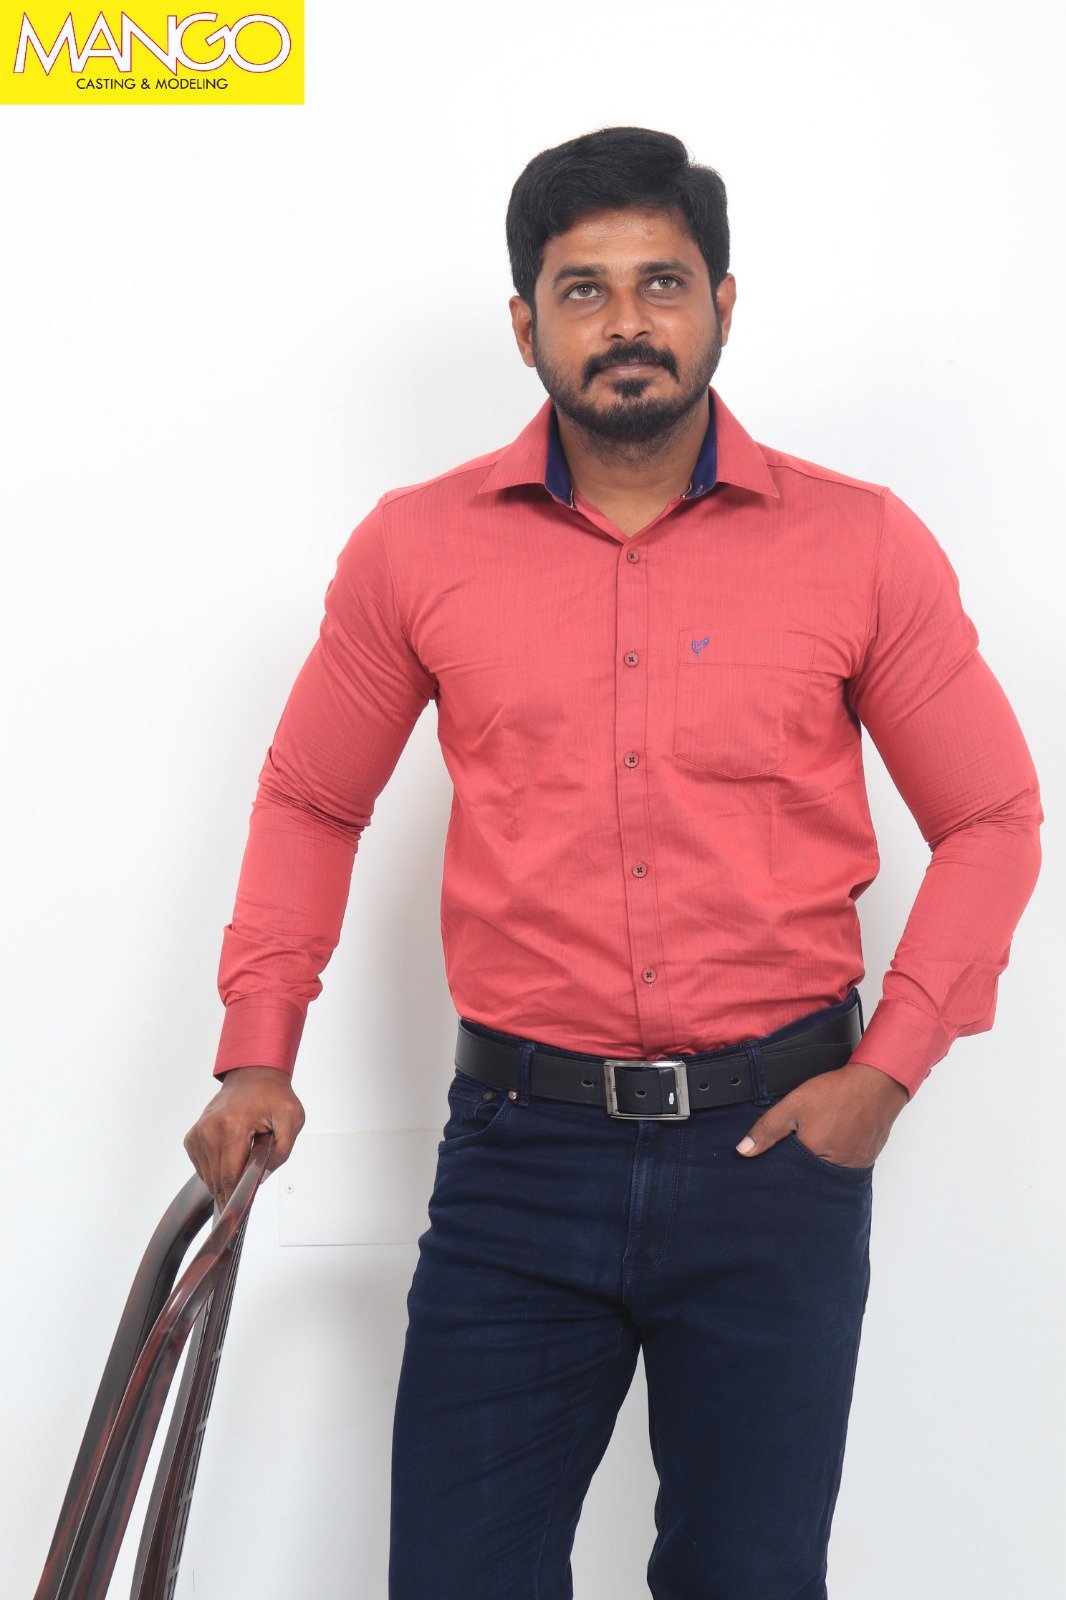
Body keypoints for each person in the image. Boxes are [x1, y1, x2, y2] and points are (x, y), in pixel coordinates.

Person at [184, 126, 1043, 1598]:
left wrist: (885, 1074)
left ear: (722, 303)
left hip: (775, 1154)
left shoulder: (861, 546)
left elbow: (991, 818)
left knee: (748, 1581)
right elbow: (312, 800)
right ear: (526, 326)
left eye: (662, 282)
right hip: (519, 1158)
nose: (628, 322)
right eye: (583, 290)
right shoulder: (414, 549)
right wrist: (257, 1051)